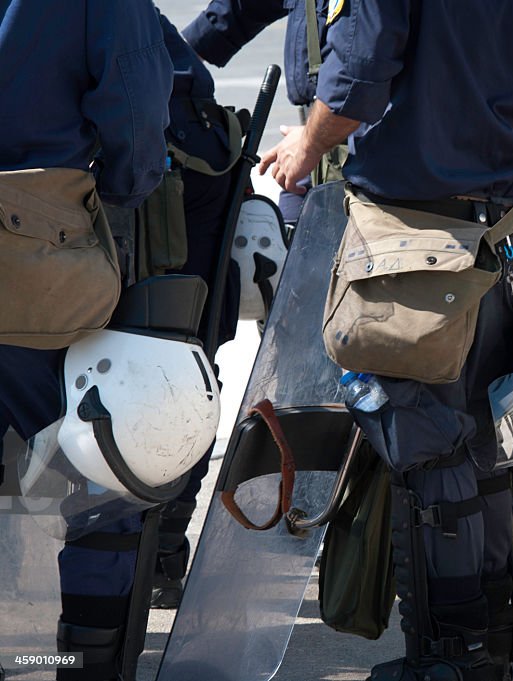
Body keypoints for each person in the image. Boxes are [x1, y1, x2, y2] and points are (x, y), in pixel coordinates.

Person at [259, 2, 513, 678]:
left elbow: (358, 77)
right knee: (480, 448)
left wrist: (307, 146)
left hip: (415, 238)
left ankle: (449, 657)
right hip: (497, 225)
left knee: (431, 451)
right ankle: (487, 644)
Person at [0, 2, 173, 680]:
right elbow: (133, 115)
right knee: (99, 472)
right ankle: (75, 663)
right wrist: (128, 185)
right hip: (42, 263)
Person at [148, 11, 242, 610]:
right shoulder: (148, 26)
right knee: (188, 367)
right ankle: (158, 551)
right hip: (189, 172)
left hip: (155, 191)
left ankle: (144, 550)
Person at [182, 0, 331, 222]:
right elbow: (249, 6)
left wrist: (314, 138)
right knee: (291, 241)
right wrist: (182, 51)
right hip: (314, 138)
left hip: (359, 141)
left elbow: (365, 65)